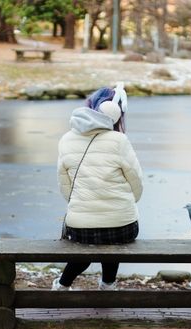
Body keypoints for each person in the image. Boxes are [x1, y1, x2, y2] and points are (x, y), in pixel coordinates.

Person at [53, 83, 143, 290]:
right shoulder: (119, 140)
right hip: (124, 227)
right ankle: (108, 283)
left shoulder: (66, 140)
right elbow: (136, 182)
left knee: (90, 240)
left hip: (80, 228)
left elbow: (64, 186)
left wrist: (82, 204)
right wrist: (126, 204)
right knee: (113, 234)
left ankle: (62, 285)